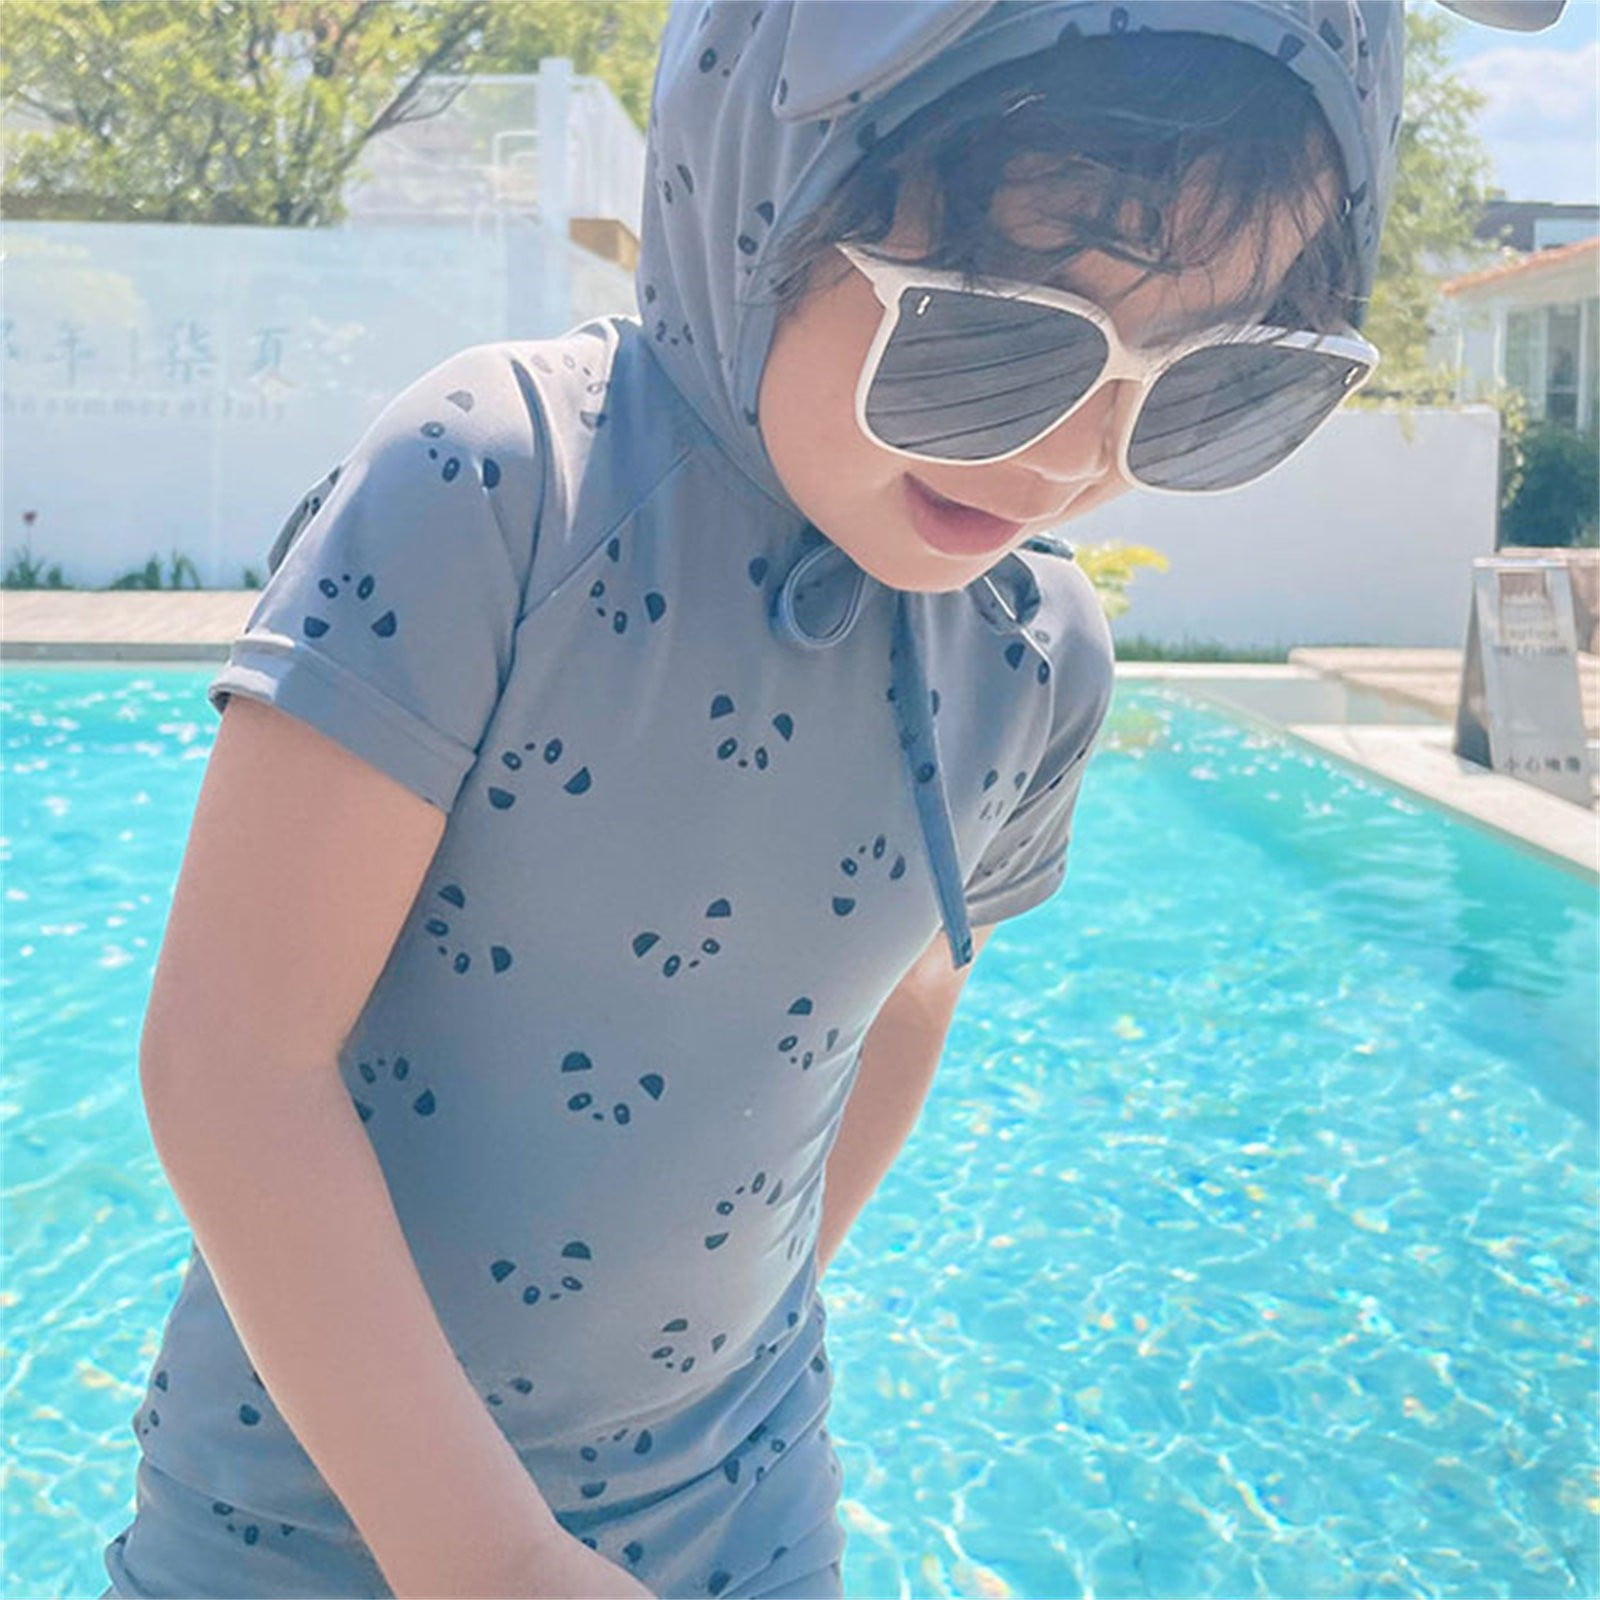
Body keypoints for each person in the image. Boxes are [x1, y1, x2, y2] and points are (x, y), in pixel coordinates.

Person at [98, 1, 1564, 1596]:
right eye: (994, 342)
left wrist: (737, 1339)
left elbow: (907, 1001)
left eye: (1220, 382)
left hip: (737, 1492)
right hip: (308, 1505)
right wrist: (489, 1553)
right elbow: (235, 1061)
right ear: (763, 199)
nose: (1076, 458)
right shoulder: (502, 492)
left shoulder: (1032, 655)